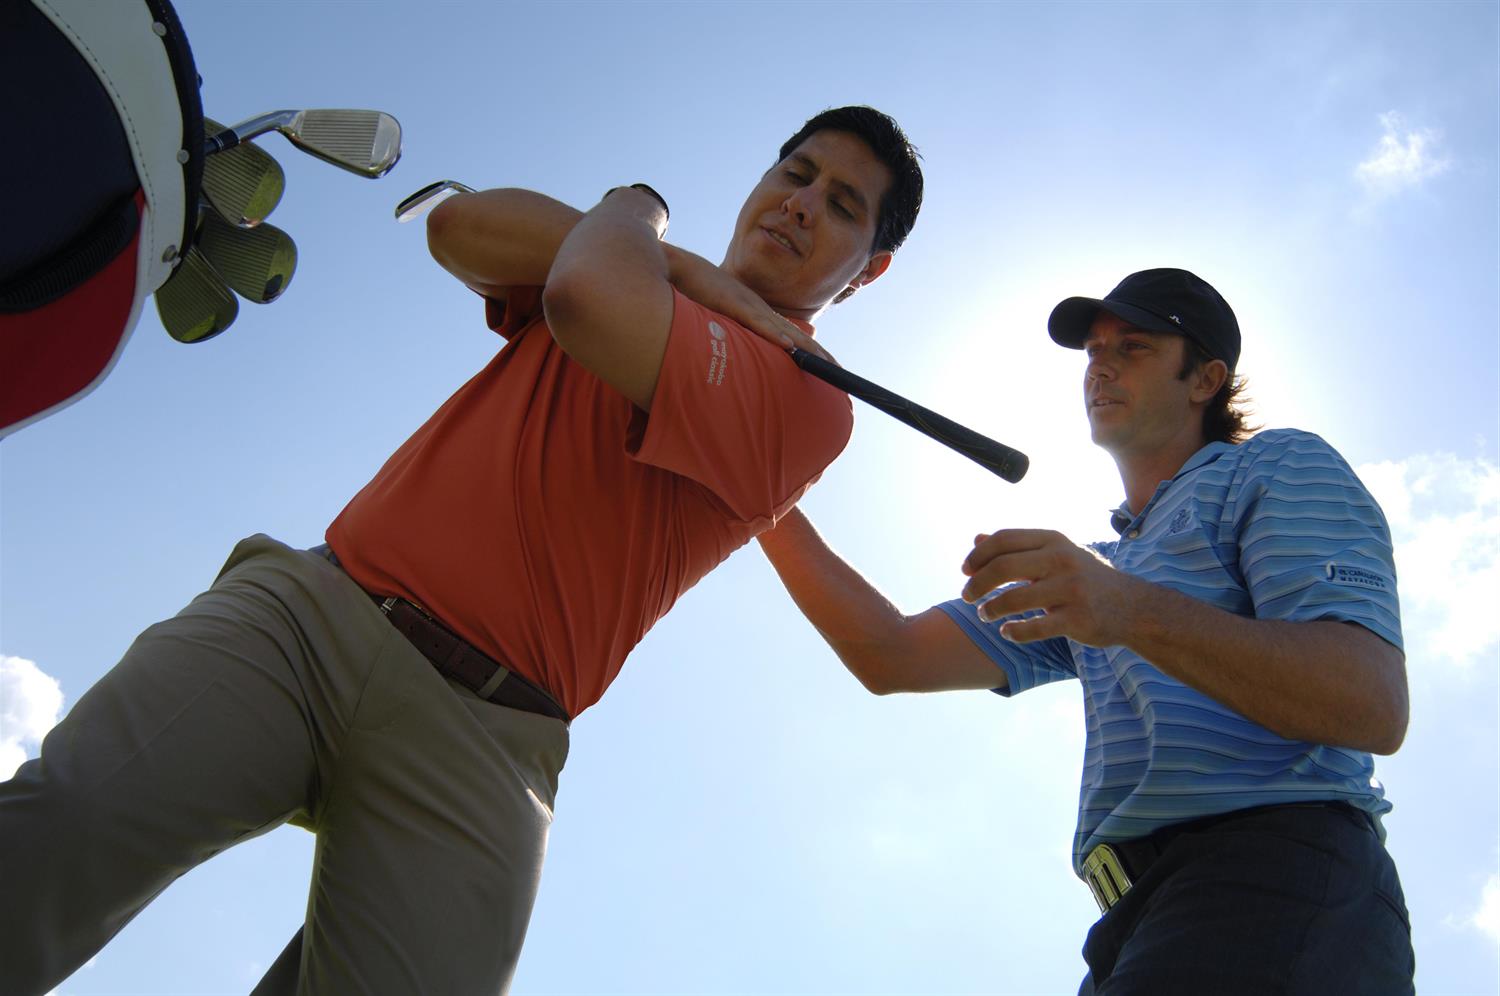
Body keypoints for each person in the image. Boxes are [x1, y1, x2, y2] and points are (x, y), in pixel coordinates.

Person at [0, 106, 924, 996]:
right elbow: (455, 228)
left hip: (490, 740)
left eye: (842, 204)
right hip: (312, 622)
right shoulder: (633, 252)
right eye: (795, 173)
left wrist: (637, 233)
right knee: (58, 833)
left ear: (870, 272)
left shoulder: (813, 401)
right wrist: (650, 217)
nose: (802, 202)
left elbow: (584, 297)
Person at [757, 268, 1415, 994]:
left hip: (1276, 873)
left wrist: (1124, 608)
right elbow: (890, 655)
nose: (1100, 366)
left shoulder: (1274, 466)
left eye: (1132, 347)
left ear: (1205, 380)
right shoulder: (1100, 576)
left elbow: (1368, 700)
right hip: (1141, 917)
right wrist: (752, 492)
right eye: (1094, 351)